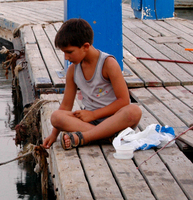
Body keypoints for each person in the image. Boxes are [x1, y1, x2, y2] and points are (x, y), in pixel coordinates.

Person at [42, 18, 142, 150]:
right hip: (89, 122)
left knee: (134, 111)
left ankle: (87, 137)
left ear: (86, 46)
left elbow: (124, 101)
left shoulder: (108, 64)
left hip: (115, 120)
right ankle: (108, 137)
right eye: (64, 53)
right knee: (56, 117)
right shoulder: (73, 70)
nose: (66, 57)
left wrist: (94, 114)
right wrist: (54, 134)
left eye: (69, 52)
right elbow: (66, 105)